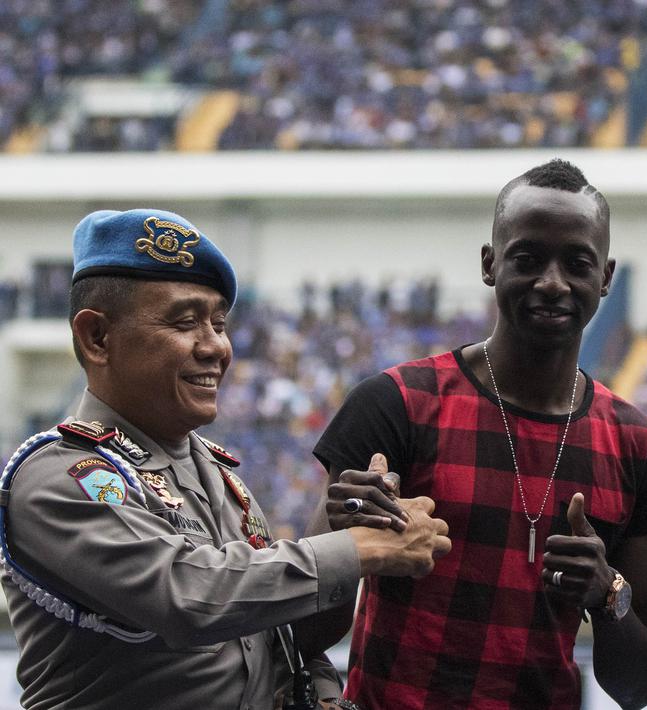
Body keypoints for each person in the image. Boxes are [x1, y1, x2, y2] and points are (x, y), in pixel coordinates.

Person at [0, 208, 452, 710]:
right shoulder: (60, 476)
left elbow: (278, 637)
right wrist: (357, 549)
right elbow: (187, 595)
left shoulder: (218, 476)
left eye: (219, 323)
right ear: (98, 338)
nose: (216, 347)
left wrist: (323, 692)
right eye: (185, 322)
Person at [308, 159, 647, 709]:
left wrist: (607, 594)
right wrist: (341, 541)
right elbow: (306, 633)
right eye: (528, 258)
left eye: (577, 263)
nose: (553, 282)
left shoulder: (641, 448)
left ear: (605, 277)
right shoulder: (396, 404)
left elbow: (637, 688)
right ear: (491, 265)